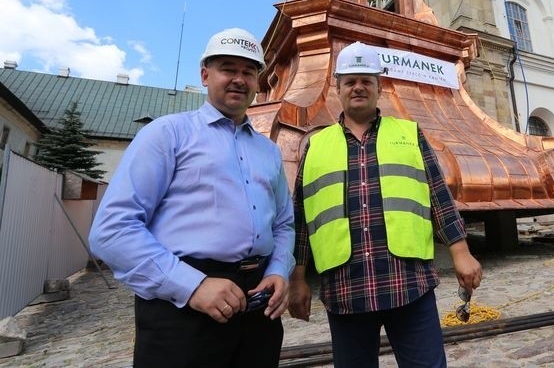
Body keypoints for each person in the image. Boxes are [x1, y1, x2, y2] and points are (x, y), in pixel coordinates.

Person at [89, 27, 295, 368]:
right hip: (183, 309)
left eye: (248, 72)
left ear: (259, 81)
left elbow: (284, 223)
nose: (239, 80)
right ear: (205, 74)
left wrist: (279, 270)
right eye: (228, 68)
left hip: (258, 306)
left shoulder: (269, 151)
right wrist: (192, 286)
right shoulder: (167, 134)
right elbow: (112, 230)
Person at [288, 41, 482, 367]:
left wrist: (461, 252)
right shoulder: (316, 147)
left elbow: (438, 195)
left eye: (367, 80)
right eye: (350, 81)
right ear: (338, 88)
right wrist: (298, 278)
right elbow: (303, 217)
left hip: (408, 282)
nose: (358, 87)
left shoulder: (408, 134)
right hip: (346, 288)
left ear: (379, 87)